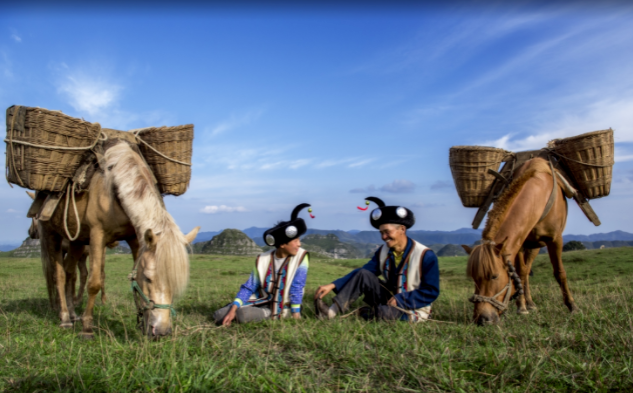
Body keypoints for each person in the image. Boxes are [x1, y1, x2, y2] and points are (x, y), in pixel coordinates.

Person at [314, 197, 439, 322]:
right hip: (389, 299)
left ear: (402, 229)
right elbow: (362, 273)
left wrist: (401, 299)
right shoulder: (382, 252)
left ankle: (369, 313)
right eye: (381, 233)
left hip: (413, 308)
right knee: (363, 274)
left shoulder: (425, 255)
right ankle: (331, 312)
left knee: (383, 313)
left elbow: (431, 291)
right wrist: (333, 285)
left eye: (387, 232)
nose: (383, 237)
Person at [213, 204, 312, 325]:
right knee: (218, 315)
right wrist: (233, 309)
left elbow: (297, 287)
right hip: (261, 300)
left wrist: (296, 316)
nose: (299, 244)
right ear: (282, 244)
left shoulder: (302, 257)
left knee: (242, 315)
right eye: (295, 241)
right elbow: (250, 286)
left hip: (283, 308)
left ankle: (263, 314)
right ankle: (241, 312)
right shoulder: (262, 259)